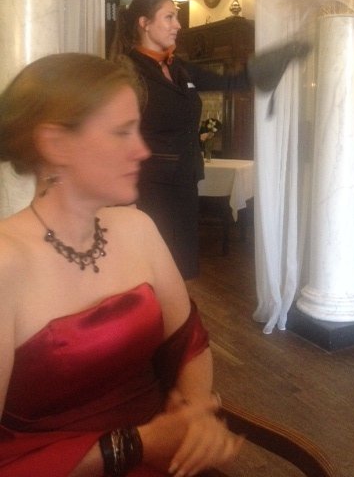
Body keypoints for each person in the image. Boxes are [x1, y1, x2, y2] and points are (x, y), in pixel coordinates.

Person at [0, 53, 243, 476]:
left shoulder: (137, 228)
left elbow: (189, 343)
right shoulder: (6, 264)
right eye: (121, 132)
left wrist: (195, 414)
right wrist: (135, 444)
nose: (142, 150)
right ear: (56, 144)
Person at [109, 0, 250, 280]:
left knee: (180, 265)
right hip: (148, 187)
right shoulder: (126, 71)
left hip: (185, 181)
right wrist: (123, 198)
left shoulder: (178, 67)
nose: (178, 25)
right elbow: (116, 137)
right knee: (149, 268)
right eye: (169, 17)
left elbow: (229, 81)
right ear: (144, 23)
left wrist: (271, 64)